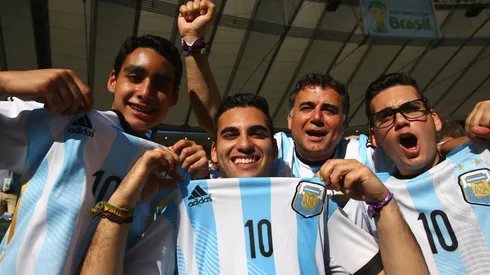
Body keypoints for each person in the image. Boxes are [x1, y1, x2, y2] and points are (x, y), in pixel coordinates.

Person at [81, 93, 428, 275]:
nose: (244, 144)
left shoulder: (309, 204)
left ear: (275, 148)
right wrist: (122, 203)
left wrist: (383, 202)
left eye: (257, 133)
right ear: (213, 152)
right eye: (231, 135)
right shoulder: (185, 207)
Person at [0, 35, 208, 274]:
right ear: (112, 81)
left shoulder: (165, 166)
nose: (145, 92)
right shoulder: (63, 120)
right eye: (135, 77)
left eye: (161, 85)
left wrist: (200, 179)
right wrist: (6, 81)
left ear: (173, 98)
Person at [178, 0, 394, 178]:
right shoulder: (274, 151)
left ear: (344, 122)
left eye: (329, 109)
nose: (317, 117)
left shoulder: (368, 156)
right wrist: (193, 42)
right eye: (307, 108)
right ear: (289, 119)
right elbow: (217, 118)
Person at [323, 72, 490, 274]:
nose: (401, 121)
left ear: (435, 120)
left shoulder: (482, 155)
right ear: (374, 138)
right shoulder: (366, 200)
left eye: (411, 109)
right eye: (385, 116)